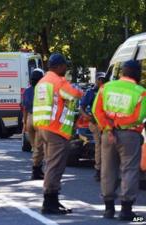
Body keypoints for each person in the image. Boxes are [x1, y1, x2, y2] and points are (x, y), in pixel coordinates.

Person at [92, 60, 146, 221]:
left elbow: (96, 110)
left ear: (122, 72)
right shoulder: (141, 92)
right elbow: (139, 116)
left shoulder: (106, 87)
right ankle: (126, 210)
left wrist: (109, 127)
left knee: (108, 169)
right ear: (136, 73)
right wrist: (120, 124)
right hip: (129, 135)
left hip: (108, 134)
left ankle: (108, 209)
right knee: (129, 170)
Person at [33, 53, 83, 214]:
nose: (66, 68)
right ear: (59, 66)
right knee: (55, 166)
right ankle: (49, 202)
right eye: (65, 65)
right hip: (56, 130)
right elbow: (74, 95)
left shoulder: (42, 81)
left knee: (51, 164)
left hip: (44, 127)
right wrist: (80, 90)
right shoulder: (58, 81)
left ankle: (53, 200)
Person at [79, 72, 107, 181]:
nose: (103, 81)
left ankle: (107, 169)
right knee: (99, 145)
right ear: (96, 80)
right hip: (95, 123)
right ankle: (99, 170)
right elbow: (82, 107)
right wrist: (87, 117)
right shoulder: (91, 92)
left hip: (107, 123)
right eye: (101, 79)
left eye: (104, 79)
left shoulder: (107, 90)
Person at [22, 68, 45, 180]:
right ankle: (36, 170)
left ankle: (37, 169)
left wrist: (25, 122)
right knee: (40, 147)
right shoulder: (43, 90)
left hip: (30, 118)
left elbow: (25, 108)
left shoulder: (26, 91)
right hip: (39, 118)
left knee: (34, 147)